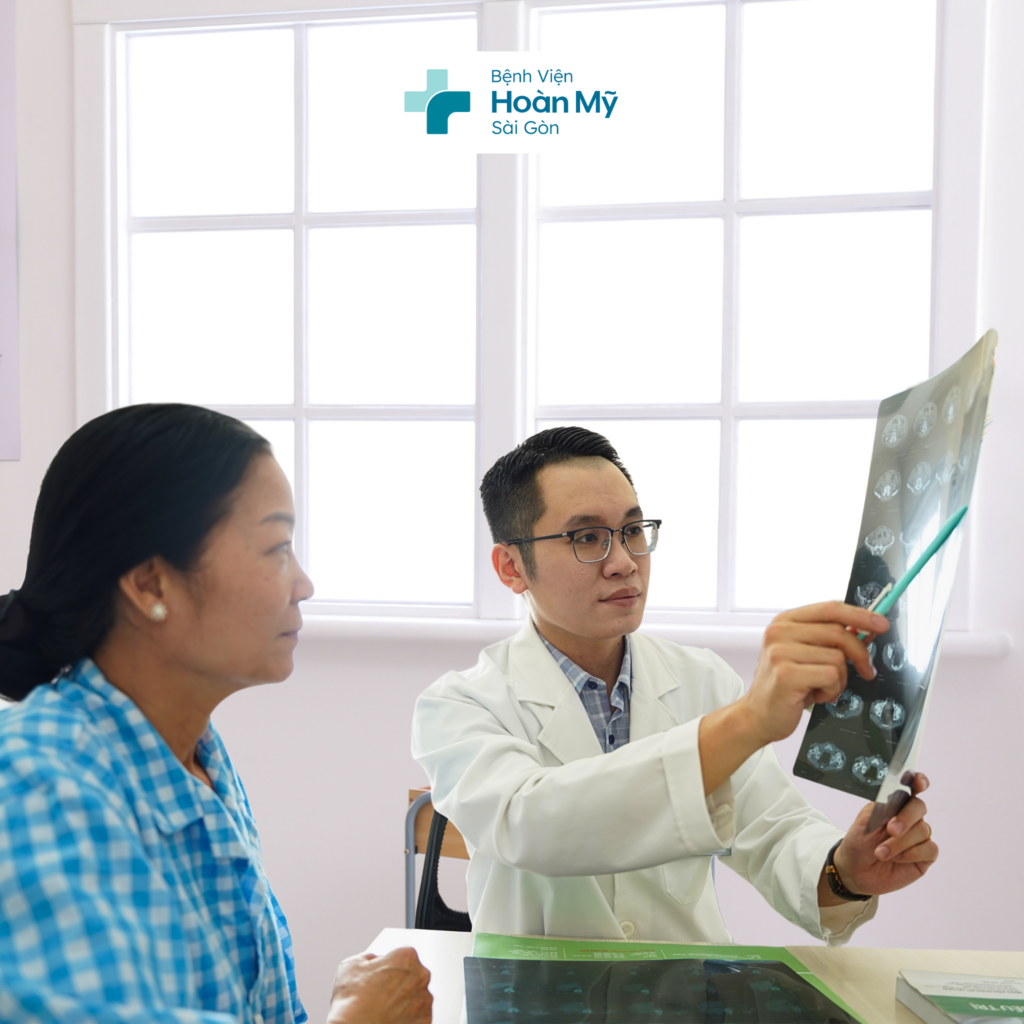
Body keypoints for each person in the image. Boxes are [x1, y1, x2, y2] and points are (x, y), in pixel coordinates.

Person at [412, 426, 938, 945]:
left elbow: (775, 834)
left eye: (633, 531)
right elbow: (531, 824)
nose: (624, 562)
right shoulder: (459, 706)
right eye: (587, 538)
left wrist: (846, 870)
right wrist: (748, 721)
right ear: (511, 567)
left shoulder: (702, 680)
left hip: (684, 985)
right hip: (533, 988)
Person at [0, 404, 432, 1024]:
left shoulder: (197, 755)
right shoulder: (35, 783)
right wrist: (357, 1018)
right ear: (151, 585)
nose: (303, 584)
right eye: (276, 547)